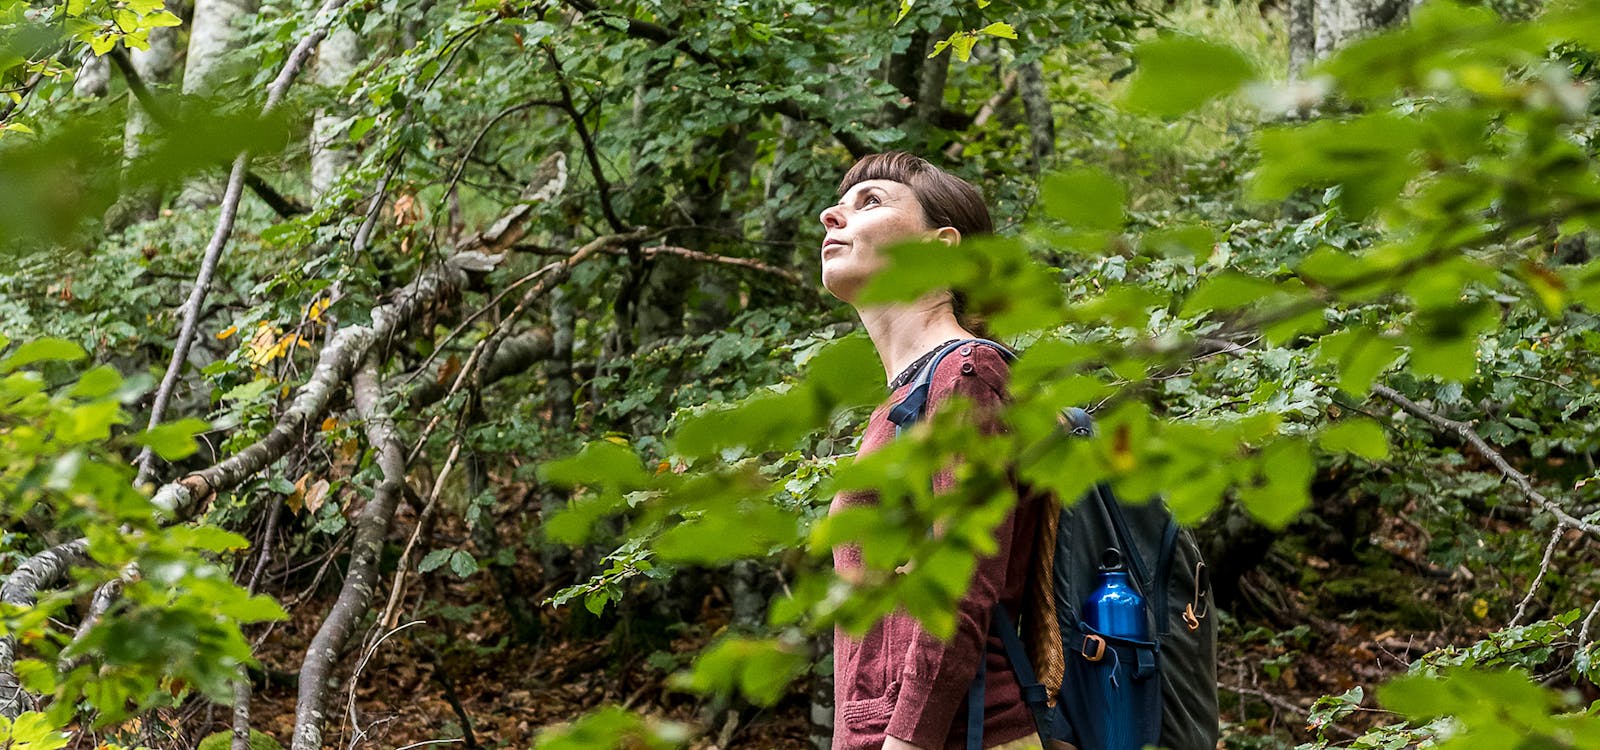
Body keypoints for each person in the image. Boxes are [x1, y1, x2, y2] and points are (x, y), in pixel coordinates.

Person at [819, 152, 1045, 750]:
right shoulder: (905, 399)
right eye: (841, 204)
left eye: (870, 201)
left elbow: (962, 582)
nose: (831, 216)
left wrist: (908, 739)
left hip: (961, 735)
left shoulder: (966, 375)